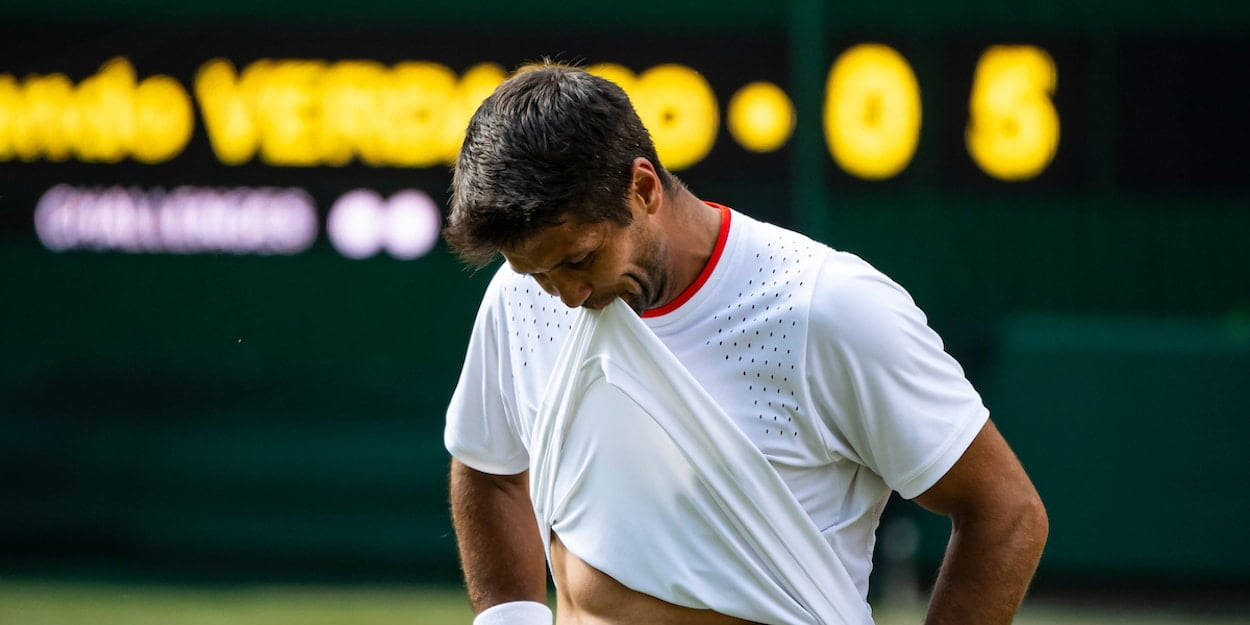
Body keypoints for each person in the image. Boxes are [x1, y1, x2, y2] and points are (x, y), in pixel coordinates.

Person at [442, 62, 1047, 625]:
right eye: (537, 273)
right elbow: (488, 470)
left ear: (644, 189)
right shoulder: (523, 296)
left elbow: (1005, 513)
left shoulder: (830, 308)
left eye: (580, 258)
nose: (565, 294)